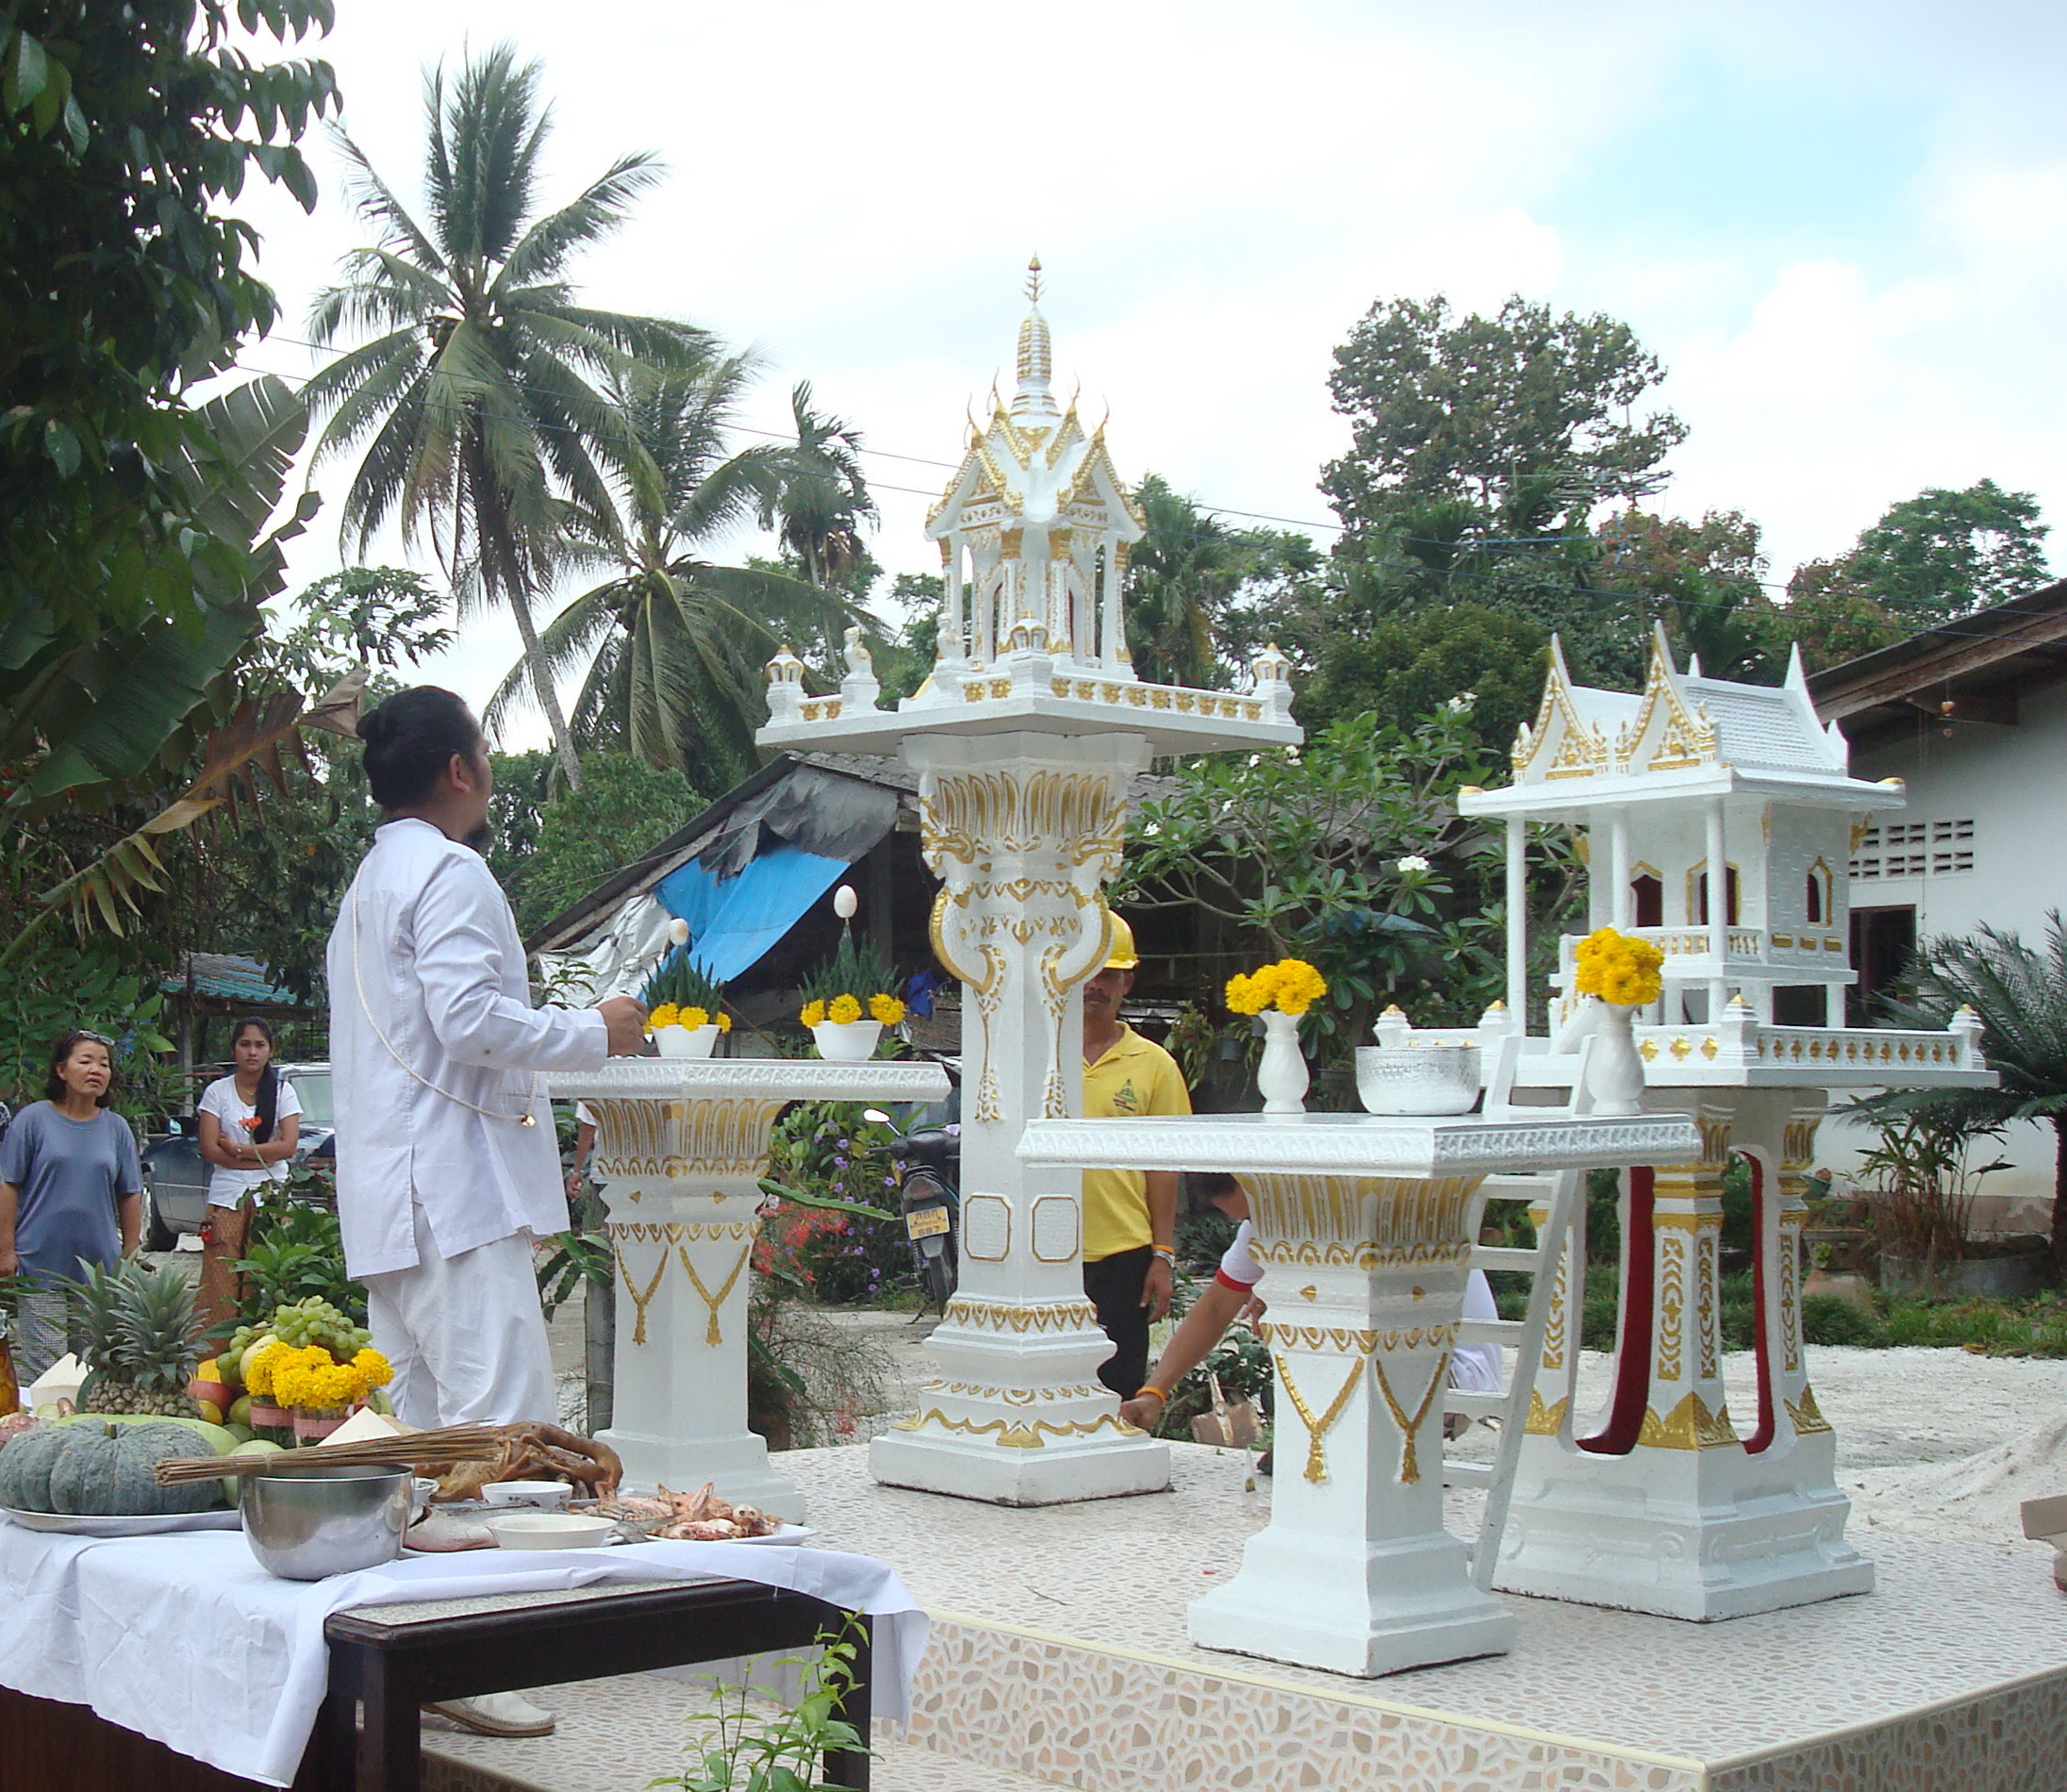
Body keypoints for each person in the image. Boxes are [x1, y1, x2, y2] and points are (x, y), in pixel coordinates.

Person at [324, 687, 647, 1435]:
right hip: (451, 1190)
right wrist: (594, 1030)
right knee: (502, 1434)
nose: (490, 766)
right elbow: (468, 1020)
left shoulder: (367, 886)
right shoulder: (450, 870)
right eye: (485, 749)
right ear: (458, 771)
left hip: (389, 1195)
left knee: (421, 1438)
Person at [1120, 1173, 1502, 1457]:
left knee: (1304, 1313)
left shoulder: (1367, 1200)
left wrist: (1284, 1288)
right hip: (1384, 1364)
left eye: (1257, 1212)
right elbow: (1216, 1307)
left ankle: (1338, 1451)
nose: (1260, 1227)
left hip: (1451, 1374)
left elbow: (1379, 1309)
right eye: (1246, 1220)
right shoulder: (1268, 1220)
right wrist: (1155, 1392)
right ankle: (1326, 1449)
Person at [1080, 914, 1191, 1399]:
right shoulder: (1035, 1056)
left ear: (1127, 980)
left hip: (1122, 1252)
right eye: (1084, 972)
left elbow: (1165, 1165)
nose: (1095, 985)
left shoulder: (1154, 1065)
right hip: (1044, 1249)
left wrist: (1162, 1256)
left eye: (1108, 973)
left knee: (1118, 1386)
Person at [0, 1032, 144, 1381]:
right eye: (86, 1061)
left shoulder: (116, 1128)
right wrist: (6, 1250)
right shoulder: (32, 1120)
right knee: (47, 1369)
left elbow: (130, 1192)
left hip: (99, 1267)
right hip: (40, 1260)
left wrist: (131, 1248)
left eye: (104, 1063)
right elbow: (8, 1185)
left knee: (92, 1368)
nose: (96, 1069)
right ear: (61, 1070)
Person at [193, 1018, 302, 1333]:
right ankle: (213, 1364)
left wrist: (238, 1152)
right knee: (220, 1280)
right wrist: (255, 1157)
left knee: (265, 1281)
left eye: (259, 1045)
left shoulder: (283, 1092)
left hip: (271, 1197)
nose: (252, 1052)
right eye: (245, 1044)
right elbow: (210, 1150)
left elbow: (288, 1146)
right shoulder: (217, 1092)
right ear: (234, 1049)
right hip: (227, 1198)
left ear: (270, 1050)